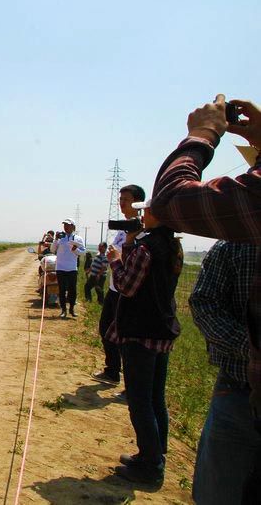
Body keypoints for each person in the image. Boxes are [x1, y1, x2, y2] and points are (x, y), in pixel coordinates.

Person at [148, 95, 260, 498]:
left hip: (243, 392)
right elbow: (204, 301)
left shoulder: (237, 236)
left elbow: (173, 198)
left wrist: (202, 134)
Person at [105, 199, 183, 486]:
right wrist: (129, 241)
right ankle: (154, 453)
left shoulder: (146, 249)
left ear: (158, 215)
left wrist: (115, 259)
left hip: (141, 331)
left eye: (146, 210)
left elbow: (126, 286)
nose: (141, 214)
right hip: (161, 329)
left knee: (139, 401)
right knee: (155, 398)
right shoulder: (171, 246)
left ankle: (150, 466)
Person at [189, 241, 261, 504]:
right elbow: (203, 304)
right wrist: (252, 347)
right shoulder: (235, 245)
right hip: (239, 392)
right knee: (219, 491)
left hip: (235, 392)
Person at [92, 184, 145, 386]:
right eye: (120, 199)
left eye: (126, 200)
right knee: (106, 329)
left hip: (129, 292)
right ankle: (112, 371)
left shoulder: (141, 229)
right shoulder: (124, 228)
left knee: (126, 336)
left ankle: (130, 381)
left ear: (138, 203)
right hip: (115, 289)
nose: (121, 203)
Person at [50, 218, 85, 318]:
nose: (65, 227)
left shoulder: (78, 239)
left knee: (72, 290)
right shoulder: (60, 238)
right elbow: (53, 250)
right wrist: (55, 239)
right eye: (64, 225)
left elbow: (83, 252)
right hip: (60, 267)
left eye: (68, 225)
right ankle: (63, 310)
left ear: (73, 227)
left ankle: (72, 309)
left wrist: (76, 250)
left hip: (72, 268)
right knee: (62, 290)